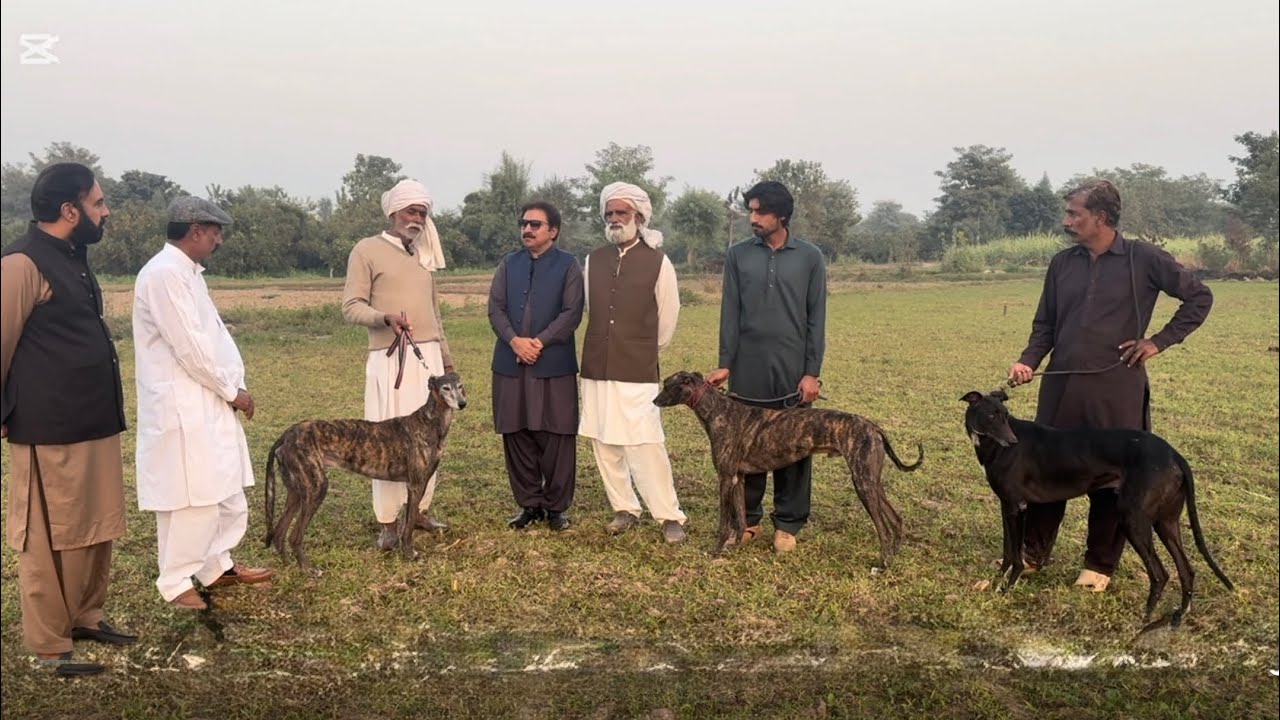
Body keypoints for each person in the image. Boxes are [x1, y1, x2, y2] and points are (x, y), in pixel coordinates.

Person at [1008, 179, 1213, 592]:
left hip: (1116, 388)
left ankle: (1099, 566)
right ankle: (1031, 553)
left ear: (1100, 218)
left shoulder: (1144, 258)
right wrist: (1028, 361)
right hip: (1061, 387)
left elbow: (1199, 298)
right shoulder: (1062, 264)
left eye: (1074, 214)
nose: (1067, 221)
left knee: (1111, 477)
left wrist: (1158, 342)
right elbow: (1045, 324)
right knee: (1048, 470)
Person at [0, 162, 134, 676]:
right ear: (69, 210)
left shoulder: (72, 256)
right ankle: (49, 645)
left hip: (92, 419)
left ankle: (84, 616)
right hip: (48, 426)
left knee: (94, 527)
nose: (106, 211)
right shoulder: (21, 264)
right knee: (47, 534)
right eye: (98, 203)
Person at [133, 196, 275, 610]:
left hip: (207, 398)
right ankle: (177, 582)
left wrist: (230, 386)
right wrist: (232, 391)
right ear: (195, 230)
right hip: (184, 403)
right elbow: (191, 348)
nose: (220, 240)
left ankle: (216, 566)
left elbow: (211, 338)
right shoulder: (163, 275)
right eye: (215, 232)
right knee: (191, 495)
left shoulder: (189, 274)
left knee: (225, 488)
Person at [706, 180, 827, 554]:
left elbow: (815, 318)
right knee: (748, 444)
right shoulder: (739, 255)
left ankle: (789, 523)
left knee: (794, 445)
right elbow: (731, 313)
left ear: (781, 215)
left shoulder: (809, 257)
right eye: (751, 211)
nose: (752, 218)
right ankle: (750, 520)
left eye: (760, 212)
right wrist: (726, 363)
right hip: (749, 364)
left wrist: (811, 371)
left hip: (793, 367)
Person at [342, 178, 453, 549]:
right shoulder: (367, 250)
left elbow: (435, 315)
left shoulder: (424, 256)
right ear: (394, 212)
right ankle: (388, 521)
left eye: (422, 212)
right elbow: (351, 306)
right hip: (391, 360)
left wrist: (447, 364)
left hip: (428, 359)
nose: (417, 218)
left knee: (430, 438)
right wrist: (383, 317)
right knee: (389, 440)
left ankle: (417, 509)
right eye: (411, 211)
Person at [579, 182, 687, 543]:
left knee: (644, 441)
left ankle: (668, 515)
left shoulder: (658, 261)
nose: (613, 219)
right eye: (609, 213)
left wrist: (642, 349)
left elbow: (668, 315)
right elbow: (593, 308)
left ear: (638, 217)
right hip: (597, 363)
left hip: (637, 366)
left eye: (620, 213)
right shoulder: (594, 259)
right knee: (602, 438)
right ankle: (624, 507)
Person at [488, 201, 584, 530]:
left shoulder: (569, 265)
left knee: (556, 432)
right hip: (510, 362)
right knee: (516, 431)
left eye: (535, 224)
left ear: (553, 231)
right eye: (524, 223)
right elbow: (495, 309)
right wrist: (515, 341)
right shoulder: (508, 264)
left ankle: (556, 508)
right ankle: (529, 504)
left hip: (552, 362)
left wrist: (538, 342)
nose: (527, 229)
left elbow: (572, 313)